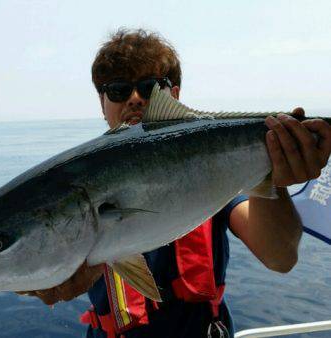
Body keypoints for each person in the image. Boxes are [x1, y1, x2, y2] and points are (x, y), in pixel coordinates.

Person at [18, 29, 331, 337]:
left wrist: (273, 171)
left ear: (175, 95)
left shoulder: (215, 165)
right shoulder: (77, 182)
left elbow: (280, 257)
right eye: (118, 90)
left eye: (150, 87)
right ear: (102, 103)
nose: (135, 99)